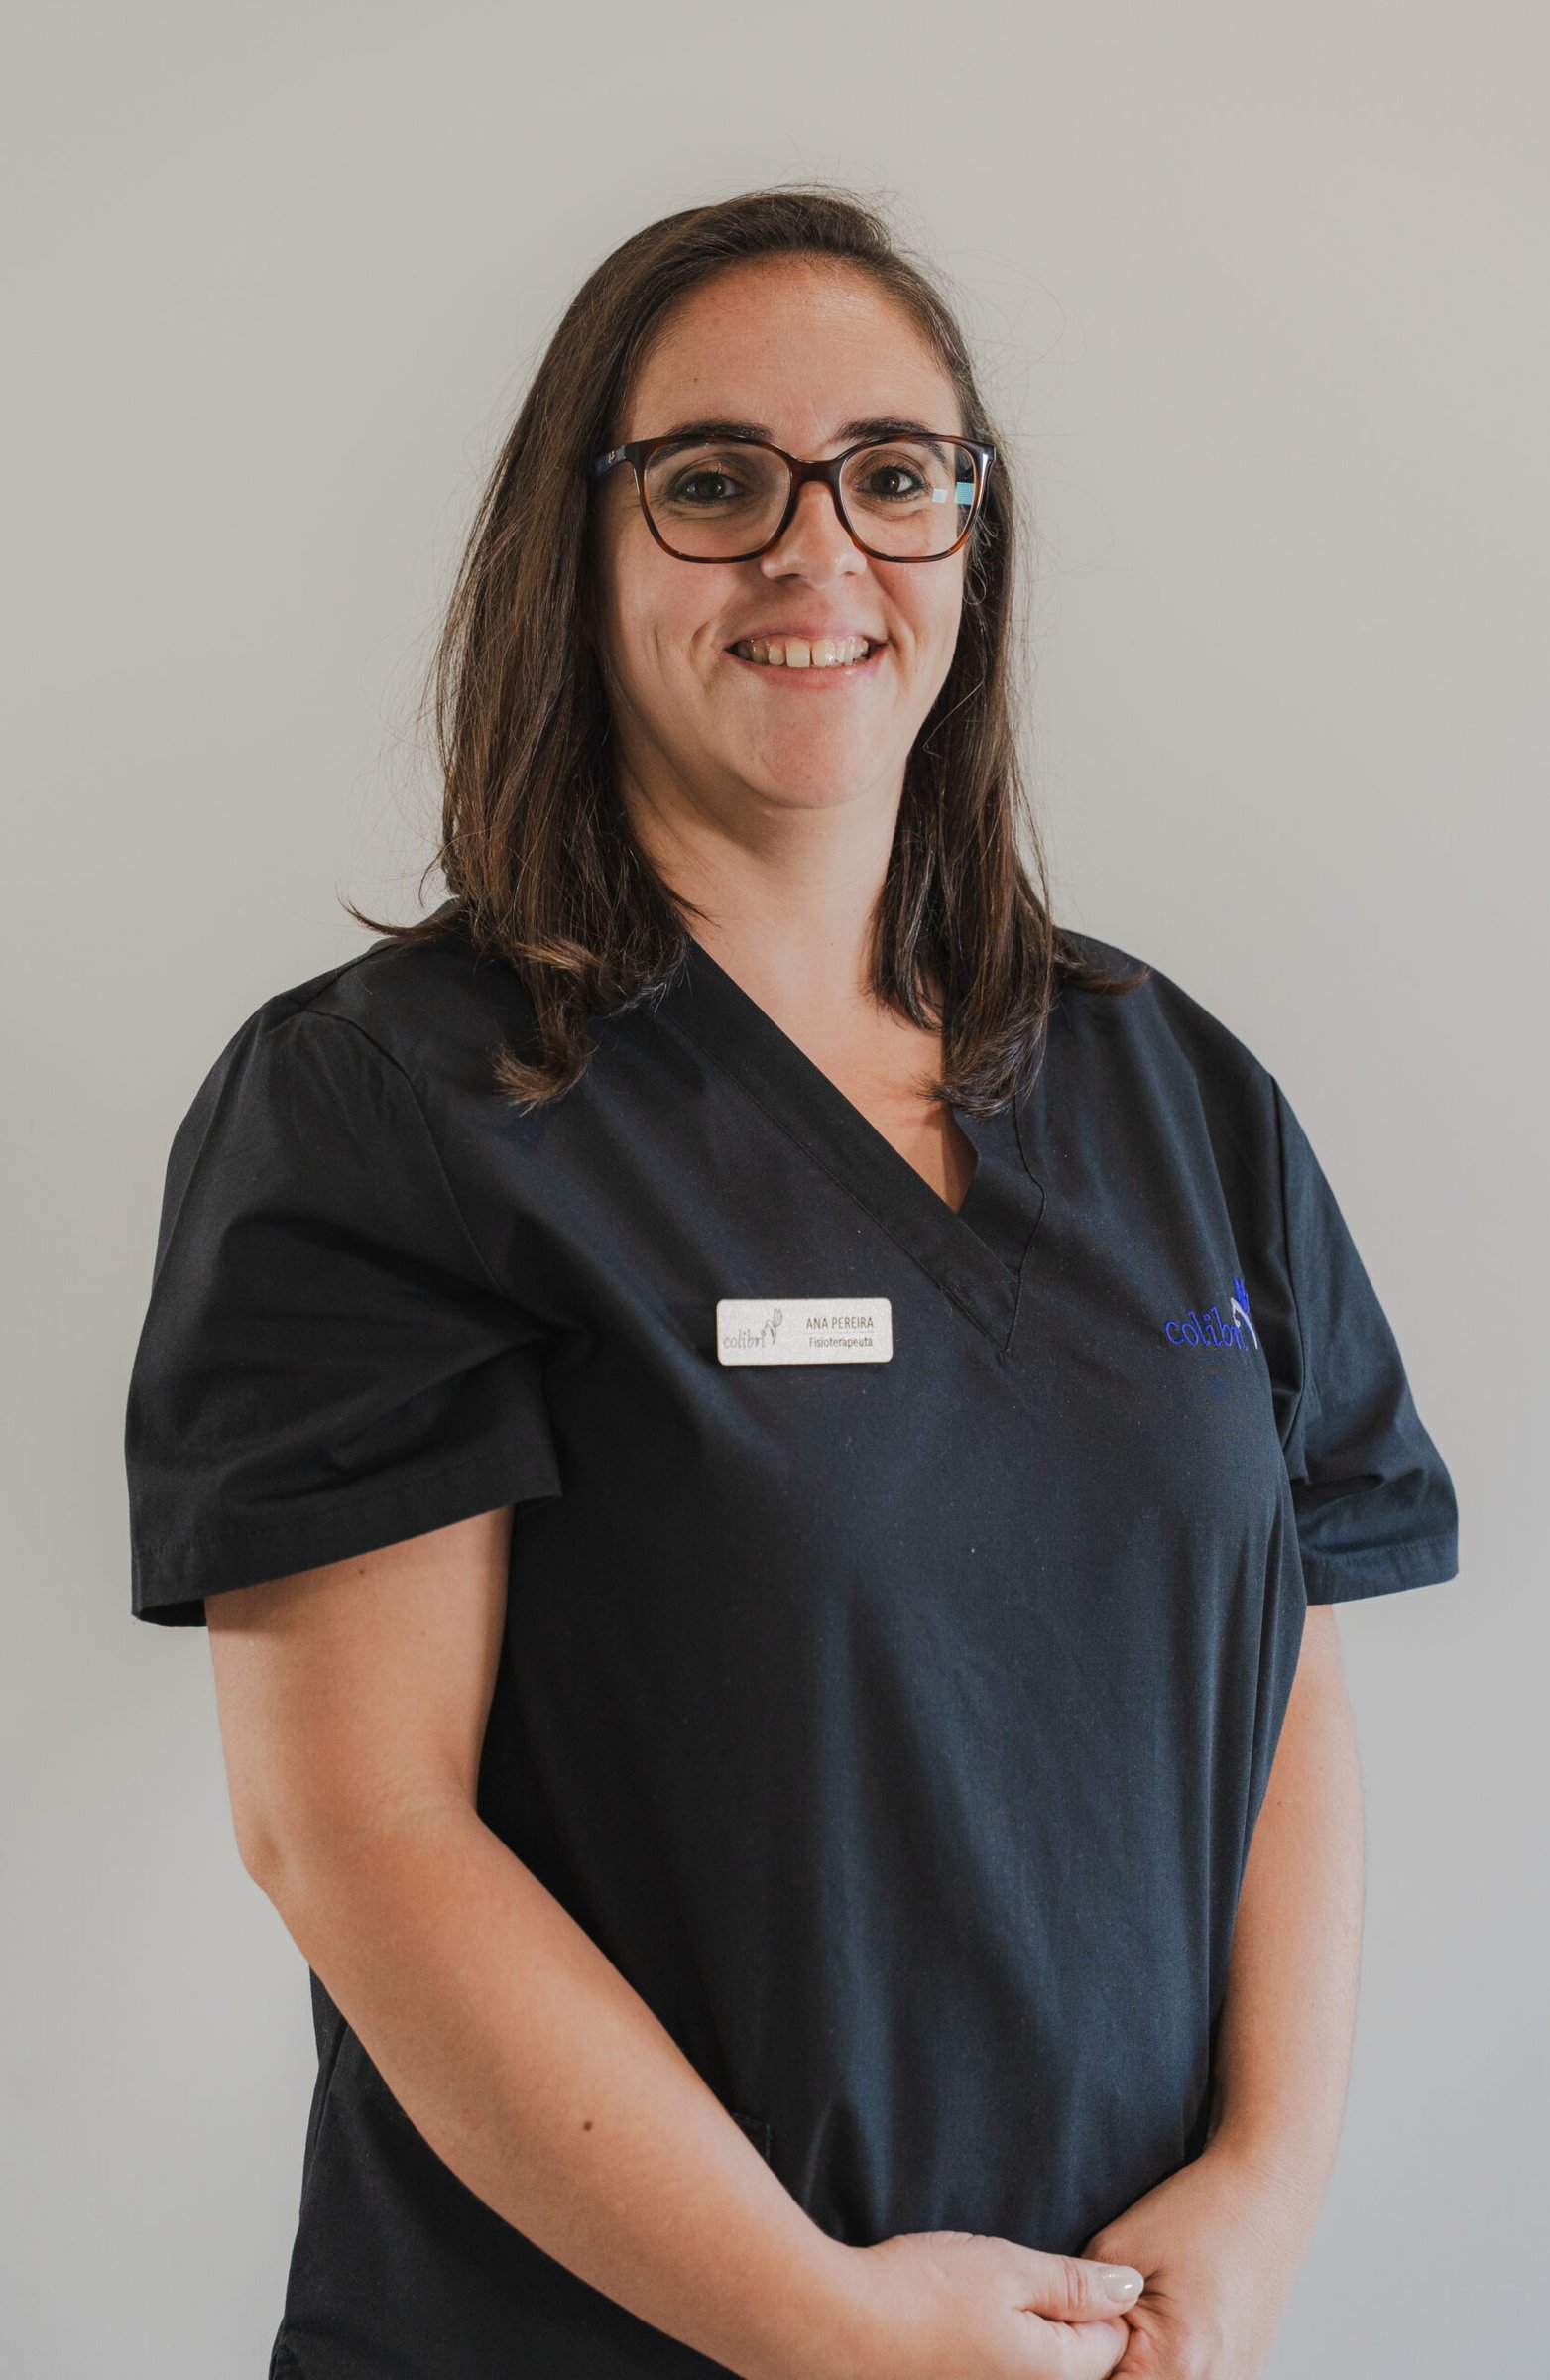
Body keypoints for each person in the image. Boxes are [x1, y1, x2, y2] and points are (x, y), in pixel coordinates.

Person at [124, 185, 1459, 2380]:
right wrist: (817, 2323)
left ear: (972, 541)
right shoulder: (394, 1107)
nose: (815, 551)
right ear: (578, 546)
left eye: (894, 476)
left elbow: (1277, 1665)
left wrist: (1259, 2184)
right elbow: (353, 1831)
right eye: (716, 481)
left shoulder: (1168, 1085)